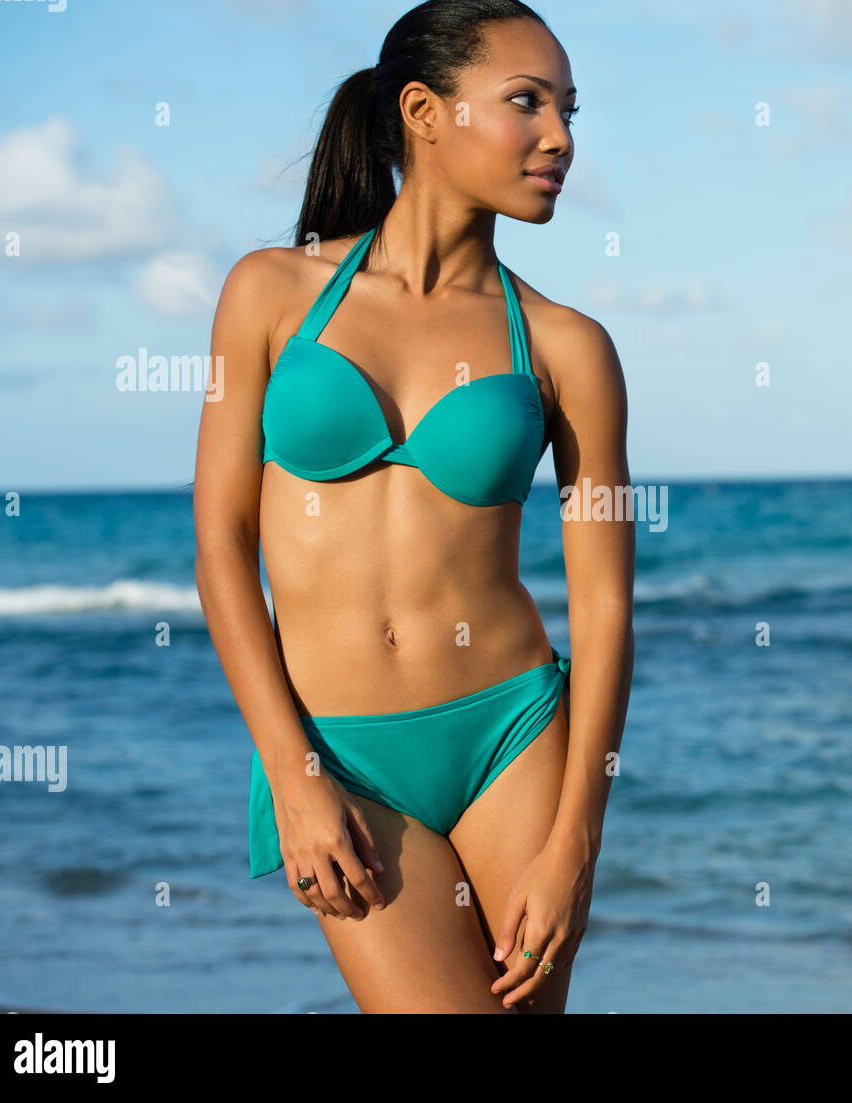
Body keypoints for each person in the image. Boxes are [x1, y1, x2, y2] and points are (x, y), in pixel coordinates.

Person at [193, 0, 634, 1013]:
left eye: (569, 109)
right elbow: (220, 542)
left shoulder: (568, 346)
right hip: (342, 751)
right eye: (527, 102)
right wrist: (293, 771)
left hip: (513, 737)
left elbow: (604, 608)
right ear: (425, 113)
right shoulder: (269, 292)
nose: (560, 136)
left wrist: (573, 842)